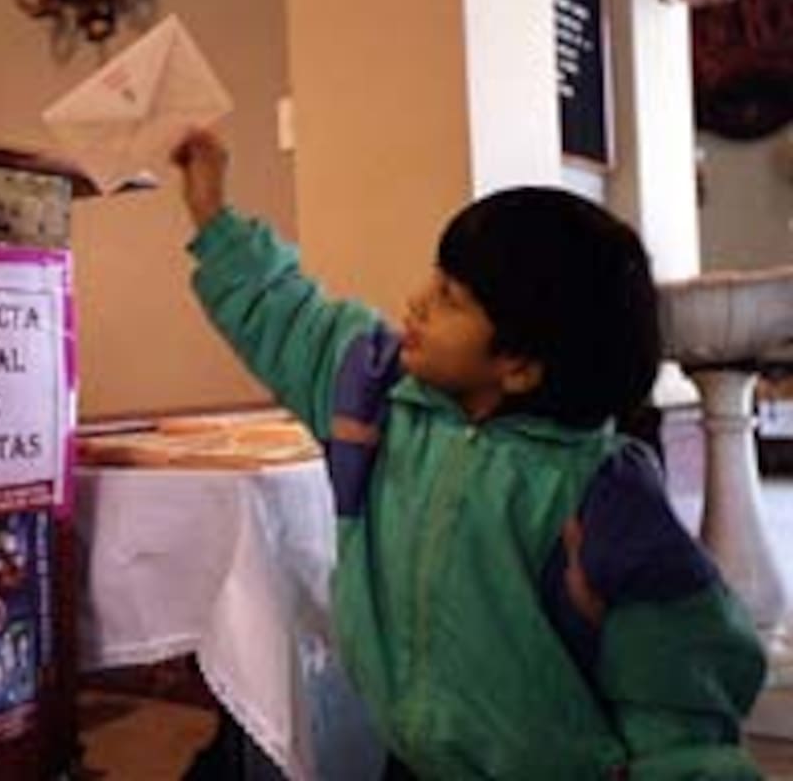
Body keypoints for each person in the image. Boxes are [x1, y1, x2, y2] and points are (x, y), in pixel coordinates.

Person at [171, 131, 767, 780]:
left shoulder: (599, 494)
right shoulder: (375, 399)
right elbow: (289, 315)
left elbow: (677, 673)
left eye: (452, 297)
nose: (420, 299)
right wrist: (212, 213)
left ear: (519, 364)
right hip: (412, 762)